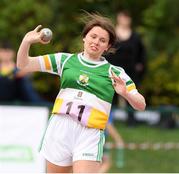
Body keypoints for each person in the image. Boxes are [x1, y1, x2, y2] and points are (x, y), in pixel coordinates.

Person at [16, 13, 146, 173]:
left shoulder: (114, 72)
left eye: (102, 40)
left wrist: (126, 93)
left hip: (90, 132)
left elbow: (141, 104)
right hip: (60, 128)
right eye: (93, 36)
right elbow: (23, 64)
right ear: (84, 38)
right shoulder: (64, 60)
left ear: (107, 47)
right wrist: (26, 41)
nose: (96, 42)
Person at [106, 10, 146, 126]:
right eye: (123, 17)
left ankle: (131, 121)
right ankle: (108, 121)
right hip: (112, 71)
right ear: (118, 18)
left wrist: (140, 65)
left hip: (129, 72)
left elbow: (141, 53)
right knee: (110, 96)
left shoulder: (135, 37)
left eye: (127, 18)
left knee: (131, 95)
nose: (125, 20)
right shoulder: (112, 34)